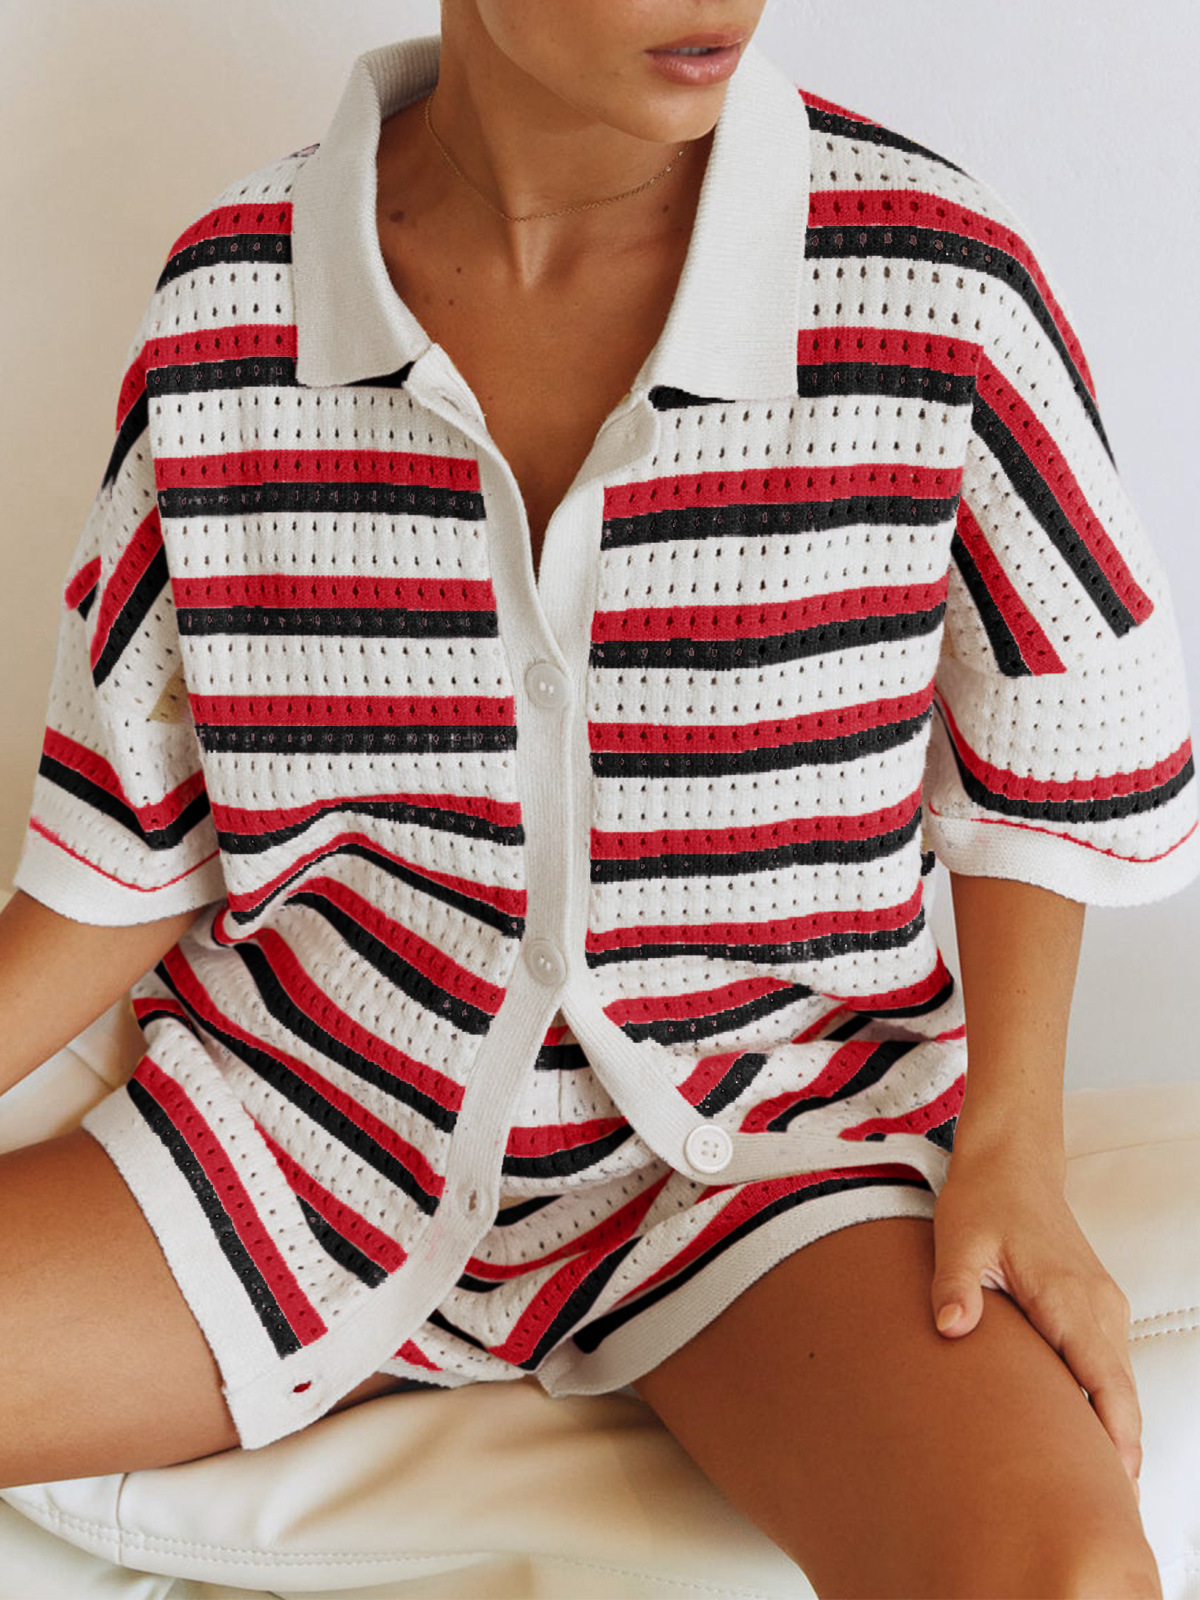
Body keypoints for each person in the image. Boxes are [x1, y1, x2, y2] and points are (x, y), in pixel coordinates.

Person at [0, 2, 1193, 1594]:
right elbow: (130, 844)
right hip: (307, 1129)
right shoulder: (234, 304)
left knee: (1062, 1576)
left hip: (767, 1148)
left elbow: (1065, 736)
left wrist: (1014, 1153)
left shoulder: (927, 274)